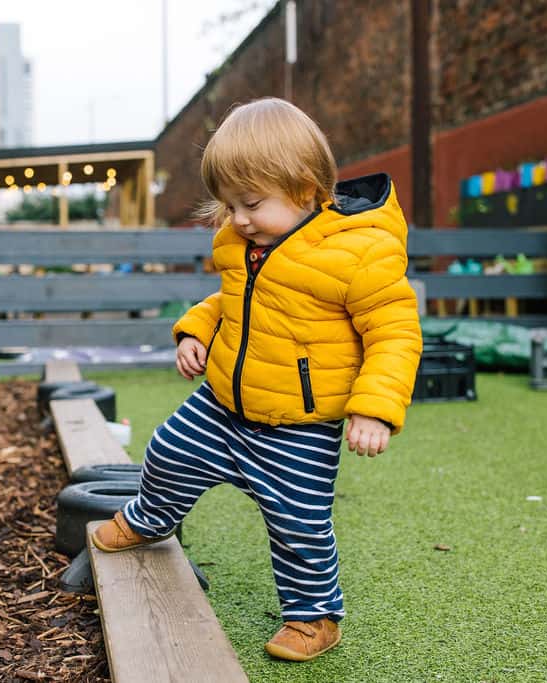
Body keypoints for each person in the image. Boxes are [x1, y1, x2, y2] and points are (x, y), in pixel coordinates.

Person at [91, 97, 422, 662]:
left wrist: (374, 407)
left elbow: (395, 333)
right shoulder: (245, 244)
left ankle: (315, 617)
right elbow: (229, 300)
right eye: (229, 204)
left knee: (298, 523)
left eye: (251, 203)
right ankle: (150, 519)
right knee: (167, 451)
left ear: (304, 186)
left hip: (300, 424)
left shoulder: (357, 252)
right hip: (222, 402)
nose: (238, 218)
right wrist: (194, 331)